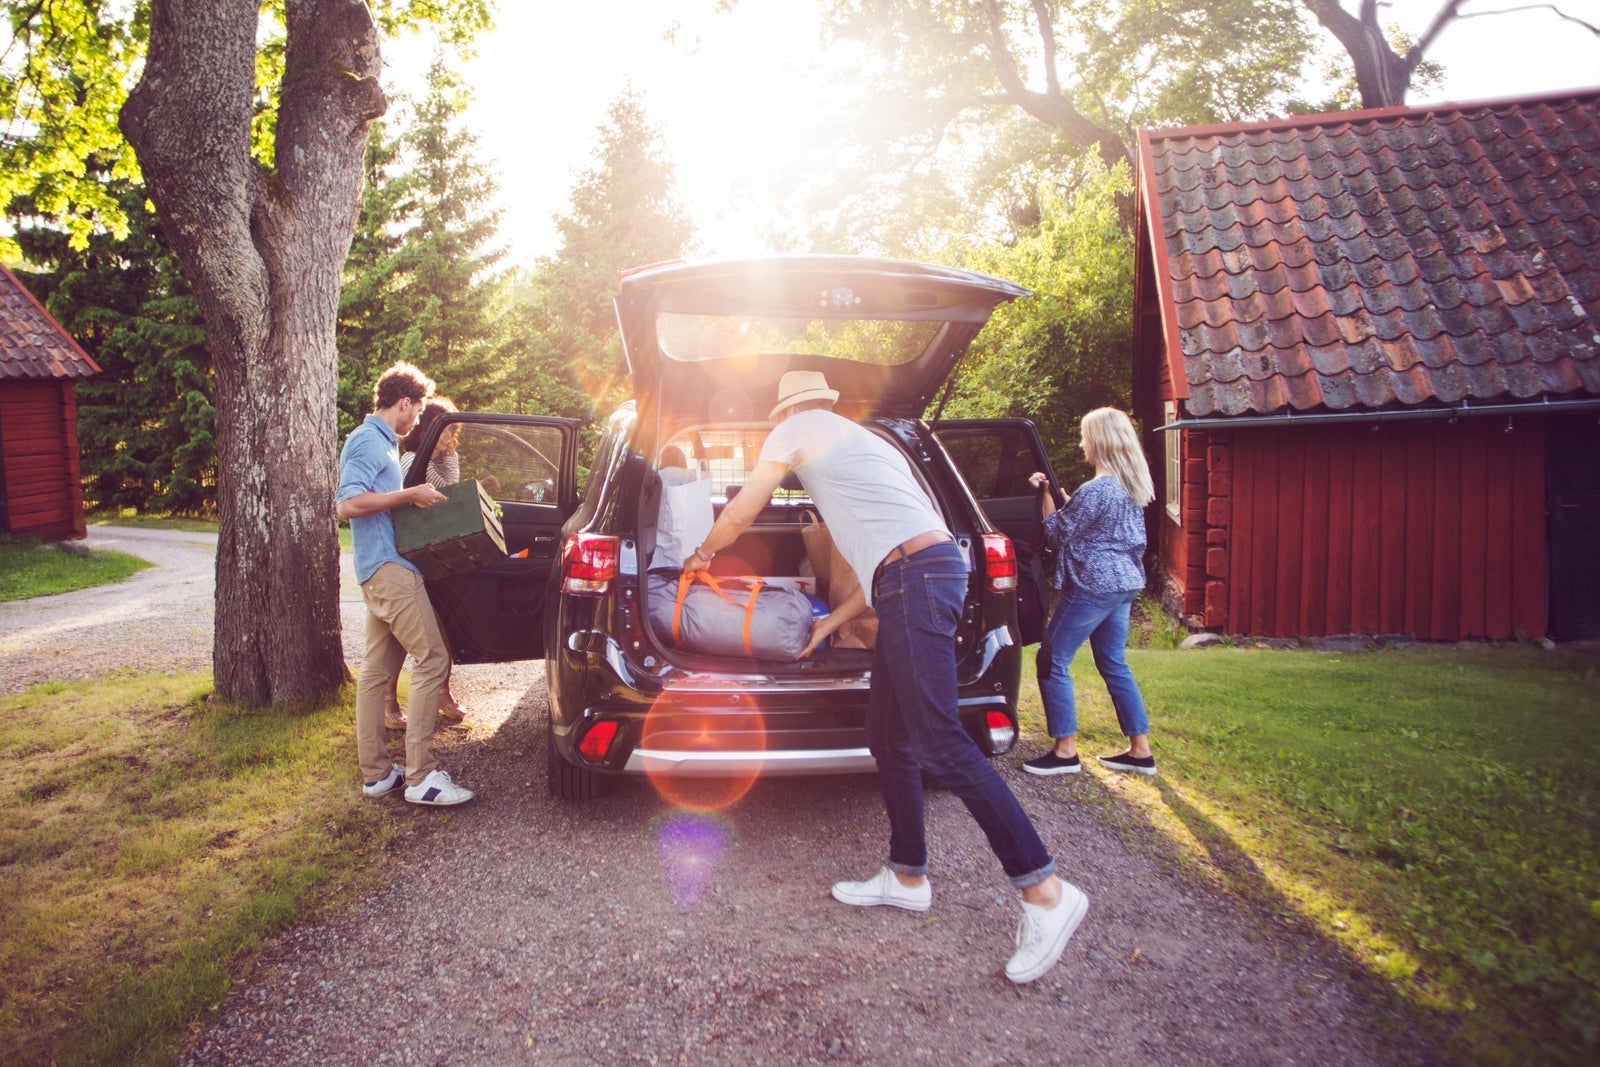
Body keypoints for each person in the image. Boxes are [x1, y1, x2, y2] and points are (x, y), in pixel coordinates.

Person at [684, 370, 1088, 984]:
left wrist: (704, 552)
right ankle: (907, 875)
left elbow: (744, 507)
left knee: (939, 740)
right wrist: (832, 623)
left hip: (917, 579)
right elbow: (893, 553)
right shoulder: (870, 442)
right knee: (887, 733)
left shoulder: (795, 428)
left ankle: (1046, 891)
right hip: (916, 576)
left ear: (785, 412)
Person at [335, 362, 475, 807]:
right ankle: (422, 777)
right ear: (403, 403)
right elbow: (348, 504)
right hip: (389, 571)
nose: (417, 421)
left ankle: (377, 775)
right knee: (433, 657)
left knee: (375, 675)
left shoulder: (383, 443)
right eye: (416, 411)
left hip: (378, 567)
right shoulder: (367, 441)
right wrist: (409, 495)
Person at [1022, 407, 1158, 779]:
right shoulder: (1131, 484)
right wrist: (1065, 499)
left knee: (1052, 659)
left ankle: (1065, 753)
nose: (1082, 443)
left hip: (1095, 585)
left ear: (1098, 441)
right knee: (1113, 661)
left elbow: (1056, 533)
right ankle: (1140, 751)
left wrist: (1046, 494)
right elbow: (1090, 526)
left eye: (1085, 436)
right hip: (1125, 582)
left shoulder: (1096, 490)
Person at [385, 396, 468, 729]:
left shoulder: (442, 459)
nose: (451, 438)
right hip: (411, 555)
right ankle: (389, 703)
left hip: (436, 555)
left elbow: (453, 488)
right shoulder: (410, 461)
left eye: (454, 431)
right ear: (429, 430)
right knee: (403, 636)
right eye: (445, 430)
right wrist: (438, 452)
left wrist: (448, 451)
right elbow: (443, 495)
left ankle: (442, 693)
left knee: (441, 626)